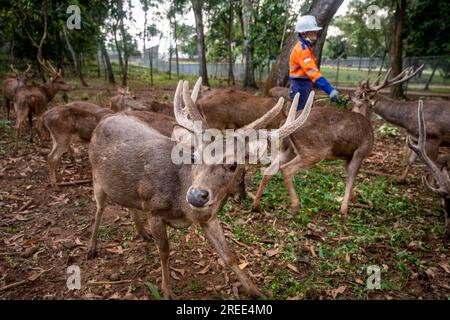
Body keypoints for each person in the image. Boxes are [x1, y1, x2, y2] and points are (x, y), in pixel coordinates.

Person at [289, 15, 340, 110]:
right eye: (313, 30)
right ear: (304, 33)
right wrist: (330, 90)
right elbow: (314, 73)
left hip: (305, 86)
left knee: (307, 115)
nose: (316, 32)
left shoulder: (307, 48)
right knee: (301, 119)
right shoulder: (302, 50)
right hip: (300, 88)